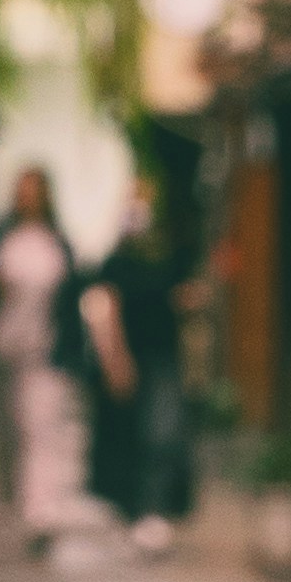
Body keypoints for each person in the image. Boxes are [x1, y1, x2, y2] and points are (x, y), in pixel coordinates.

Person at [0, 163, 91, 546]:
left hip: (45, 350)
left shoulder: (58, 243)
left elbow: (71, 299)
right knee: (2, 433)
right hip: (0, 349)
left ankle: (40, 512)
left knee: (39, 428)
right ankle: (5, 510)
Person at [79, 209, 192, 553]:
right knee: (127, 435)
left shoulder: (172, 260)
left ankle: (152, 510)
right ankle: (132, 511)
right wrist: (114, 357)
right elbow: (104, 306)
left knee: (161, 434)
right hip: (129, 356)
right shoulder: (117, 263)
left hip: (163, 359)